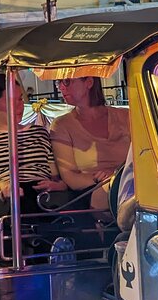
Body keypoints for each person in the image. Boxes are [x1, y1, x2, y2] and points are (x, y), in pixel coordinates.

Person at [0, 73, 65, 219]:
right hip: (5, 199)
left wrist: (57, 185)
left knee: (75, 206)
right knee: (20, 204)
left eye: (19, 99)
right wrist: (1, 186)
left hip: (41, 195)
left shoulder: (39, 133)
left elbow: (55, 175)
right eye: (11, 101)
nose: (19, 106)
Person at [50, 76, 130, 213]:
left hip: (130, 183)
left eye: (67, 81)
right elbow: (70, 177)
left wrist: (116, 175)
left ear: (89, 82)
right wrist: (109, 180)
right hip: (91, 192)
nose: (61, 87)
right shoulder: (62, 125)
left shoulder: (125, 116)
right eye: (58, 82)